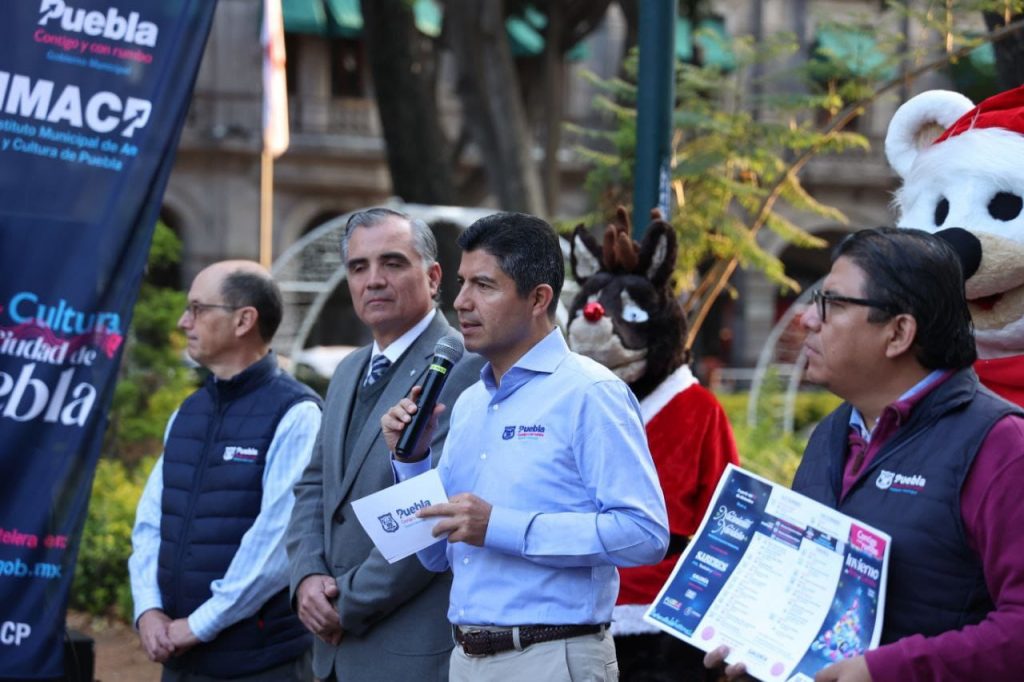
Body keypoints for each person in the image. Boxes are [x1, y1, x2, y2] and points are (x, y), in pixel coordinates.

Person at [706, 227, 1024, 682]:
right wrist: (755, 646)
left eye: (832, 305)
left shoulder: (1000, 446)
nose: (808, 321)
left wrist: (885, 670)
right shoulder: (831, 435)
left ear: (898, 333)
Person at [382, 211, 670, 682]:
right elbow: (435, 556)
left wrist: (500, 526)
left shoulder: (590, 392)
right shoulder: (472, 402)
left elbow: (643, 534)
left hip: (552, 656)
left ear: (539, 299)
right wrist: (411, 462)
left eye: (484, 286)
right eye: (461, 284)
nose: (462, 302)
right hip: (465, 656)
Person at [285, 208, 482, 681]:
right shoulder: (349, 369)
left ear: (434, 277)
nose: (373, 280)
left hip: (402, 650)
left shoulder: (465, 367)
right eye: (358, 267)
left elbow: (431, 514)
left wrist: (344, 603)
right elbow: (315, 487)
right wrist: (308, 576)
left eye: (392, 263)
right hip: (330, 651)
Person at [128, 261, 322, 681]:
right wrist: (148, 609)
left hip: (259, 663)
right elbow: (150, 522)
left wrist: (198, 626)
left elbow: (277, 547)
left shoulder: (297, 413)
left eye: (197, 309)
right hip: (181, 656)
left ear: (243, 320)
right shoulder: (187, 412)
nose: (184, 321)